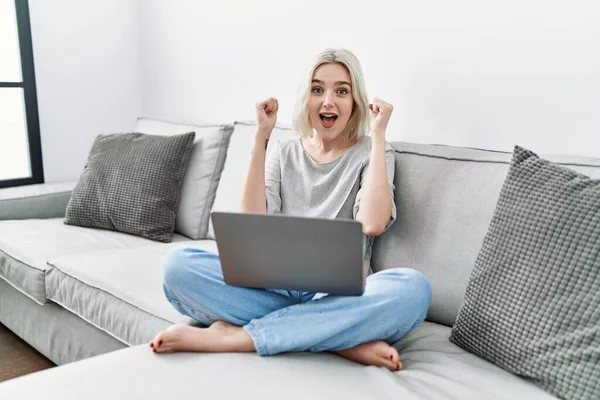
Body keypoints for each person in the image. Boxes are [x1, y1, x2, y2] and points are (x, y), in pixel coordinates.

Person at [149, 48, 431, 371]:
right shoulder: (284, 150)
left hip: (338, 296)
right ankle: (338, 339)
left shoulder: (374, 152)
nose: (328, 101)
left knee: (413, 289)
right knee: (177, 267)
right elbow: (251, 223)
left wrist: (378, 135)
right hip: (271, 286)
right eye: (317, 89)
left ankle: (238, 337)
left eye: (341, 90)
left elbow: (373, 222)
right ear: (306, 98)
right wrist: (261, 137)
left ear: (355, 100)